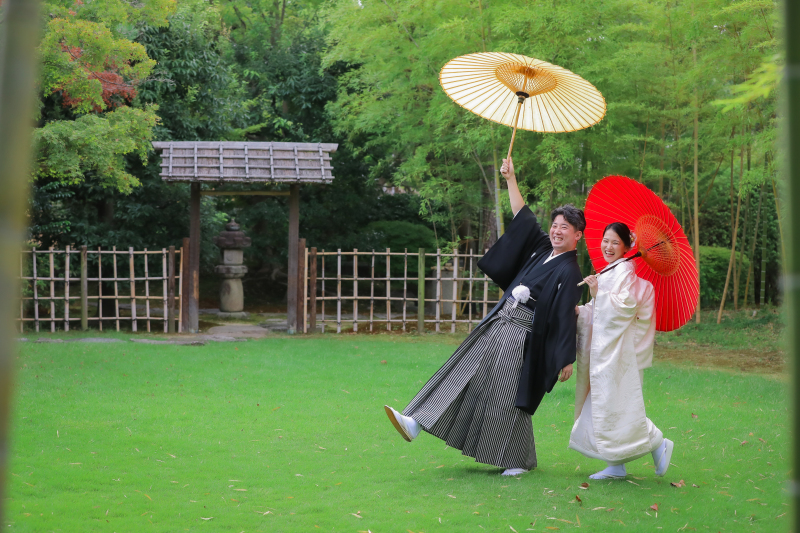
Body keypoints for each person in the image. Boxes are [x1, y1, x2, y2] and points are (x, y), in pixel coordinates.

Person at [384, 157, 584, 476]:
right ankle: (416, 421)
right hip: (499, 322)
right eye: (556, 225)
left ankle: (517, 459)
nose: (557, 231)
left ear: (578, 236)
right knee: (461, 368)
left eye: (565, 228)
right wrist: (510, 179)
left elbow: (564, 315)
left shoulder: (570, 271)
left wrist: (565, 358)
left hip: (523, 335)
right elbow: (523, 217)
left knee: (507, 394)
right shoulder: (543, 247)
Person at [568, 222, 674, 479]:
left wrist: (598, 293)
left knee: (617, 406)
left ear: (627, 246)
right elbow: (599, 310)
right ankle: (616, 464)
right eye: (606, 240)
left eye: (616, 242)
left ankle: (658, 442)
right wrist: (581, 312)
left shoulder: (624, 271)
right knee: (606, 407)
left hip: (620, 353)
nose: (608, 246)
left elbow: (623, 309)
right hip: (612, 350)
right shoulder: (610, 271)